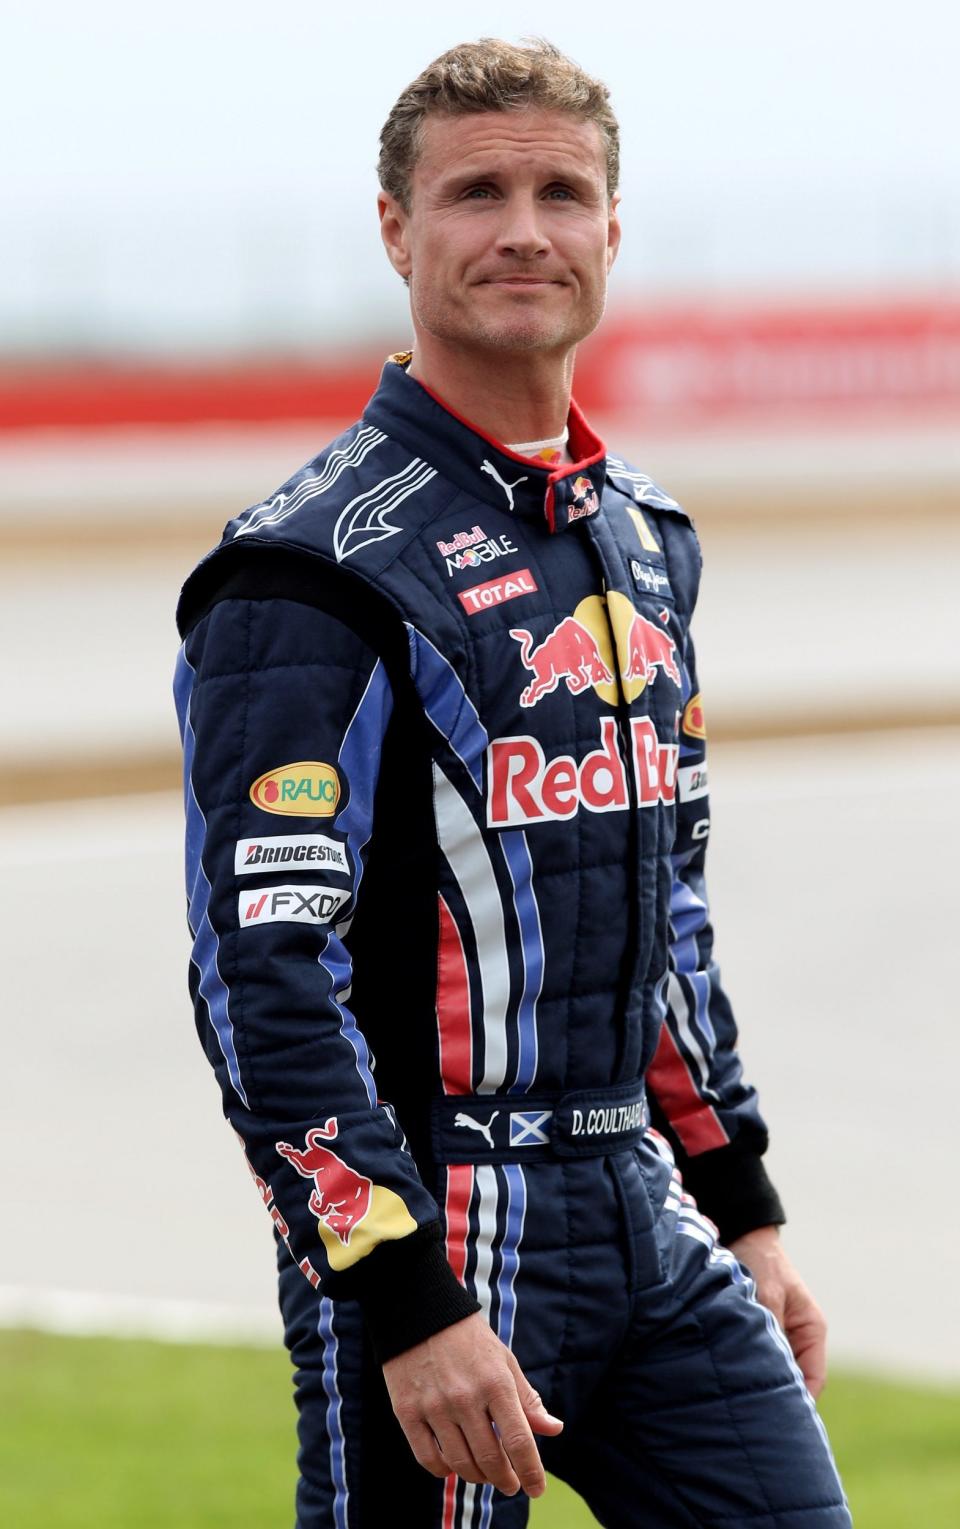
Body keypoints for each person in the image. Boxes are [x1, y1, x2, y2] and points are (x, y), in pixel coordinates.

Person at [174, 37, 850, 1529]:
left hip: (645, 1211)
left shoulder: (643, 539)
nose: (525, 229)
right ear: (396, 229)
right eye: (477, 192)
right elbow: (262, 978)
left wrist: (745, 1209)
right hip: (443, 1236)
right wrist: (403, 1301)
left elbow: (668, 916)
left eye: (564, 190)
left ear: (615, 228)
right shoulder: (310, 569)